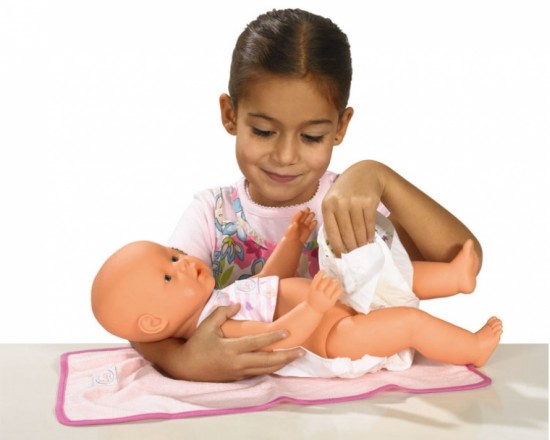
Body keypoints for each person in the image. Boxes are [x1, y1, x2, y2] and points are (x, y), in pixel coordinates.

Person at [131, 8, 484, 382]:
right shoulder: (211, 214)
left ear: (340, 127)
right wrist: (182, 361)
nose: (285, 156)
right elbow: (142, 310)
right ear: (230, 114)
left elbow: (464, 258)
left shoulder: (352, 202)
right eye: (264, 131)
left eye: (311, 137)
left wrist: (380, 176)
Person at [92, 210, 500, 379]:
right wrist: (315, 307)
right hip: (336, 339)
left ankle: (454, 277)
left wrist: (291, 241)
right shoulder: (214, 331)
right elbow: (277, 338)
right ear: (153, 322)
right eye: (168, 276)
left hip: (336, 304)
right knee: (409, 323)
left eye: (173, 255)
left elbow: (270, 281)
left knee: (378, 275)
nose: (183, 262)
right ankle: (472, 348)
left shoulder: (222, 298)